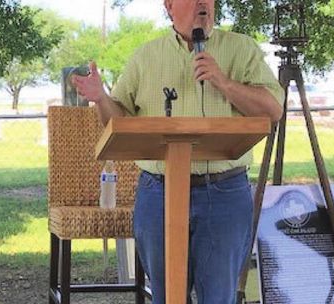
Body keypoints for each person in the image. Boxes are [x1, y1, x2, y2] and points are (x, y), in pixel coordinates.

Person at [72, 0, 284, 303]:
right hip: (158, 193)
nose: (203, 3)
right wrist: (101, 98)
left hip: (224, 192)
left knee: (219, 297)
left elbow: (273, 109)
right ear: (169, 6)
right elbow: (115, 118)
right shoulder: (146, 56)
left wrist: (222, 81)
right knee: (167, 296)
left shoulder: (241, 49)